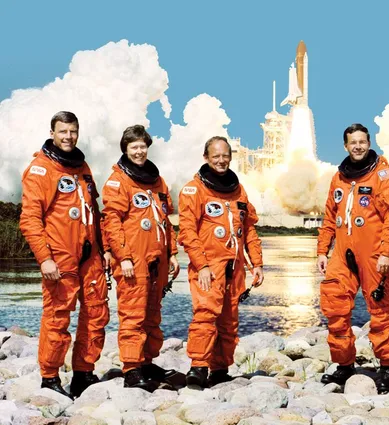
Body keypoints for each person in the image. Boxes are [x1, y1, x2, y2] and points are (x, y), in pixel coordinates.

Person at [20, 111, 109, 399]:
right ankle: (50, 377)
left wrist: (105, 249)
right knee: (58, 315)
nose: (68, 137)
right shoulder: (41, 169)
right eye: (63, 131)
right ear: (52, 133)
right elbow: (30, 219)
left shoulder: (82, 167)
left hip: (90, 254)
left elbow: (94, 211)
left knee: (96, 311)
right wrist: (44, 258)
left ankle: (83, 372)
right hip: (60, 255)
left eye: (73, 131)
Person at [317, 123, 389, 394]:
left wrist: (387, 252)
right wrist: (322, 250)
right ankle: (344, 364)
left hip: (374, 253)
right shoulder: (339, 177)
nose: (357, 146)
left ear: (369, 143)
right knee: (335, 306)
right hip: (342, 252)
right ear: (345, 146)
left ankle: (388, 367)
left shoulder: (382, 175)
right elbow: (329, 216)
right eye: (353, 142)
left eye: (362, 142)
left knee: (379, 310)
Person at [178, 136, 264, 388]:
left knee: (229, 320)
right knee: (205, 315)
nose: (221, 160)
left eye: (225, 155)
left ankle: (220, 368)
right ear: (206, 157)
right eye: (215, 156)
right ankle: (198, 366)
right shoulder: (194, 190)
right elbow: (187, 232)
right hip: (209, 266)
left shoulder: (238, 191)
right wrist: (202, 266)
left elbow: (248, 229)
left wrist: (256, 263)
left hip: (234, 268)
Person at [101, 125, 180, 391]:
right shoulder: (118, 181)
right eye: (133, 147)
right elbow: (112, 223)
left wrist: (172, 253)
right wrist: (122, 257)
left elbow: (165, 220)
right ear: (125, 149)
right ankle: (132, 369)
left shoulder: (157, 181)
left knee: (152, 315)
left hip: (157, 259)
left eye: (142, 146)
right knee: (133, 314)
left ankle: (146, 362)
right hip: (132, 260)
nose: (139, 151)